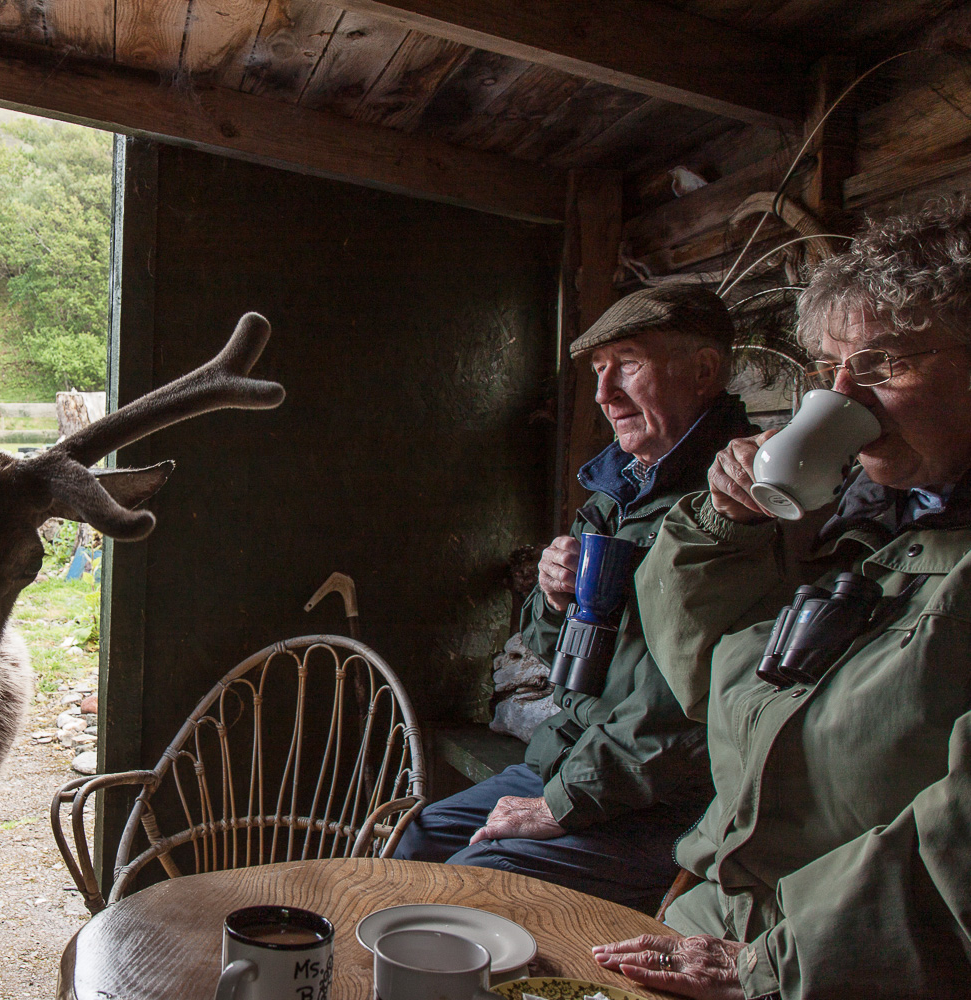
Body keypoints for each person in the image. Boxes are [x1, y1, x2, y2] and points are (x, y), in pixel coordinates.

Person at [594, 200, 971, 999]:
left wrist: (774, 962)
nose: (844, 401)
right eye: (829, 371)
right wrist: (722, 525)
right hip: (727, 917)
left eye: (879, 367)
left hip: (846, 967)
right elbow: (712, 679)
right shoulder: (869, 531)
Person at [395, 284, 753, 911]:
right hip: (576, 760)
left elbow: (694, 722)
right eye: (597, 370)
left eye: (629, 363)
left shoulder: (745, 503)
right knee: (415, 840)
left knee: (475, 882)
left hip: (669, 801)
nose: (603, 393)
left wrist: (562, 803)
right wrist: (552, 598)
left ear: (704, 371)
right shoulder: (617, 493)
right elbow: (554, 658)